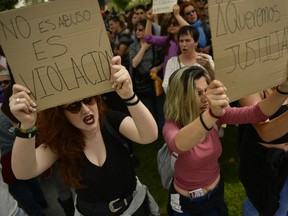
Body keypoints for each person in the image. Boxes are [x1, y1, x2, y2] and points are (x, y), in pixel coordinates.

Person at [9, 56, 160, 216]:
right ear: (61, 115)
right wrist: (26, 126)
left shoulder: (111, 120)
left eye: (88, 100)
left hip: (135, 207)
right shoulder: (61, 142)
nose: (86, 110)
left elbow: (149, 136)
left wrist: (129, 96)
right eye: (74, 106)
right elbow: (23, 172)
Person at [162, 65, 288, 215]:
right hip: (186, 203)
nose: (205, 98)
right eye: (198, 93)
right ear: (181, 97)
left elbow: (256, 113)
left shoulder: (215, 114)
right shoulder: (171, 126)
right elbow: (180, 144)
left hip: (215, 193)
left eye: (206, 91)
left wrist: (283, 89)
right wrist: (212, 114)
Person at [1, 71, 48, 216]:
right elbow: (24, 172)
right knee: (25, 188)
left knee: (31, 185)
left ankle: (41, 203)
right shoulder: (7, 107)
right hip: (10, 159)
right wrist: (26, 125)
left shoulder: (6, 107)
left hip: (17, 153)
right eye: (0, 83)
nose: (2, 85)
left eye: (5, 82)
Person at [239, 87, 288, 216]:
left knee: (283, 206)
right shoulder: (253, 86)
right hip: (262, 162)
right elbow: (265, 132)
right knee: (257, 206)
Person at [129, 19, 165, 132]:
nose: (137, 32)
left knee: (161, 107)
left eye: (141, 29)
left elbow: (165, 59)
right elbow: (134, 63)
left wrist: (158, 68)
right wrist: (144, 48)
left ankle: (163, 129)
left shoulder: (156, 44)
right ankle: (153, 131)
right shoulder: (133, 47)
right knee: (149, 108)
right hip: (143, 83)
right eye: (136, 30)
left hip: (156, 80)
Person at [163, 25, 214, 93]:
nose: (184, 44)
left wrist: (209, 68)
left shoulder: (206, 59)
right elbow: (166, 86)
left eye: (187, 40)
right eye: (181, 41)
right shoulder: (172, 62)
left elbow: (215, 81)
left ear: (196, 42)